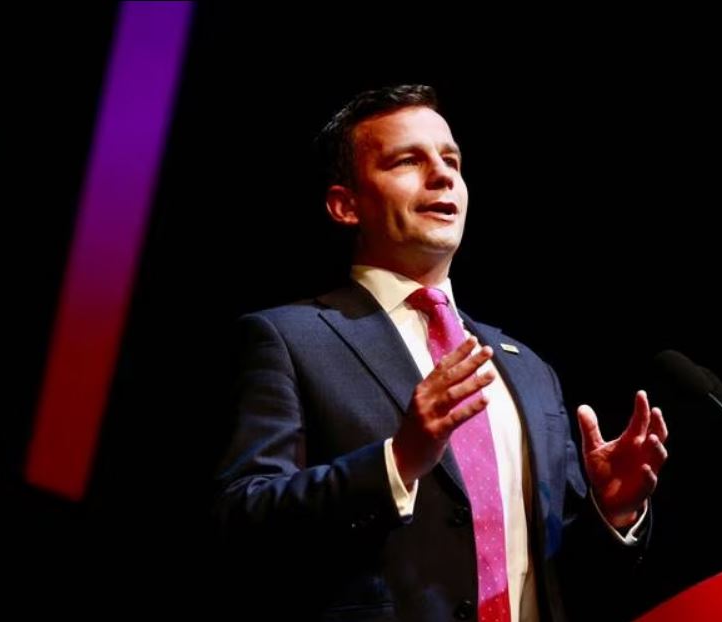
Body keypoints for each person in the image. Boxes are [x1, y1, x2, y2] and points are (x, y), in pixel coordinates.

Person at [213, 84, 669, 621]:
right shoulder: (288, 339)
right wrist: (397, 461)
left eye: (451, 159)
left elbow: (559, 575)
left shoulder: (525, 366)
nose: (442, 175)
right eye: (407, 160)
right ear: (345, 205)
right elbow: (242, 517)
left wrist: (612, 510)